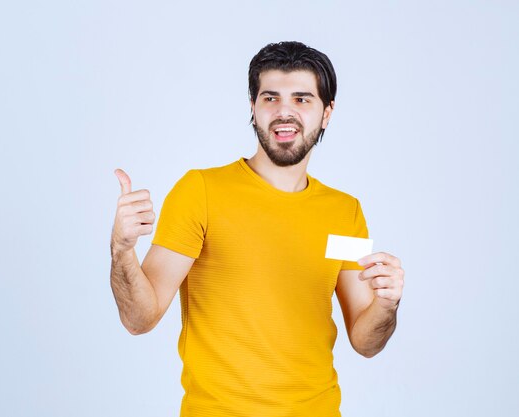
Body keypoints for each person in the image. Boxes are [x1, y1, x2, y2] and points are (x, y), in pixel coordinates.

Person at [110, 41, 405, 417]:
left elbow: (365, 341)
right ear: (253, 108)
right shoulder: (199, 191)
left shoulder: (345, 211)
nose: (285, 112)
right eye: (270, 98)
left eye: (302, 99)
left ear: (326, 113)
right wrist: (122, 249)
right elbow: (139, 319)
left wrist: (387, 303)